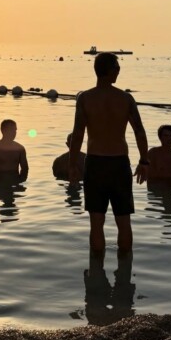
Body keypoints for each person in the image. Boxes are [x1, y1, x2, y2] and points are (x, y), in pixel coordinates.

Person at [68, 52, 149, 254]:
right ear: (110, 70)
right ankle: (124, 272)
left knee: (96, 223)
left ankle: (96, 273)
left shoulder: (85, 98)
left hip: (95, 164)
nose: (119, 71)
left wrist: (73, 165)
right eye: (117, 67)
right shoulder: (125, 98)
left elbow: (78, 134)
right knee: (123, 221)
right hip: (119, 164)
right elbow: (139, 131)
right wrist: (144, 161)